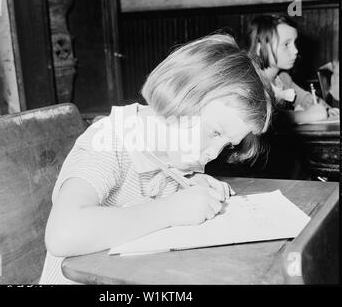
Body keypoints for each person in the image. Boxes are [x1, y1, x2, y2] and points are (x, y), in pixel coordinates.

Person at [39, 34, 273, 284]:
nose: (214, 153)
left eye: (226, 144)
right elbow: (62, 234)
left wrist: (191, 181)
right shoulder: (108, 141)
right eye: (215, 132)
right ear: (181, 95)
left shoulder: (170, 149)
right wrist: (171, 209)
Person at [247, 14, 339, 125]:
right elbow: (263, 117)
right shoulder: (249, 80)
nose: (295, 50)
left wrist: (327, 110)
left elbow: (305, 98)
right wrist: (308, 115)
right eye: (286, 44)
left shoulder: (282, 78)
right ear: (260, 47)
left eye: (294, 43)